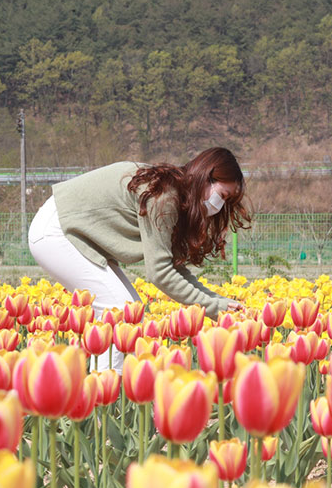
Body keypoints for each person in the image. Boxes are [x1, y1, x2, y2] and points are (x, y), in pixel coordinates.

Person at [28, 147, 250, 369]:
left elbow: (173, 265)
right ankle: (104, 391)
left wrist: (221, 303)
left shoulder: (175, 195)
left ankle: (104, 389)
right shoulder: (164, 195)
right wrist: (214, 307)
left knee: (130, 312)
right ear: (205, 177)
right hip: (57, 229)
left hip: (70, 228)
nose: (219, 205)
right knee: (121, 311)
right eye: (222, 196)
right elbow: (160, 273)